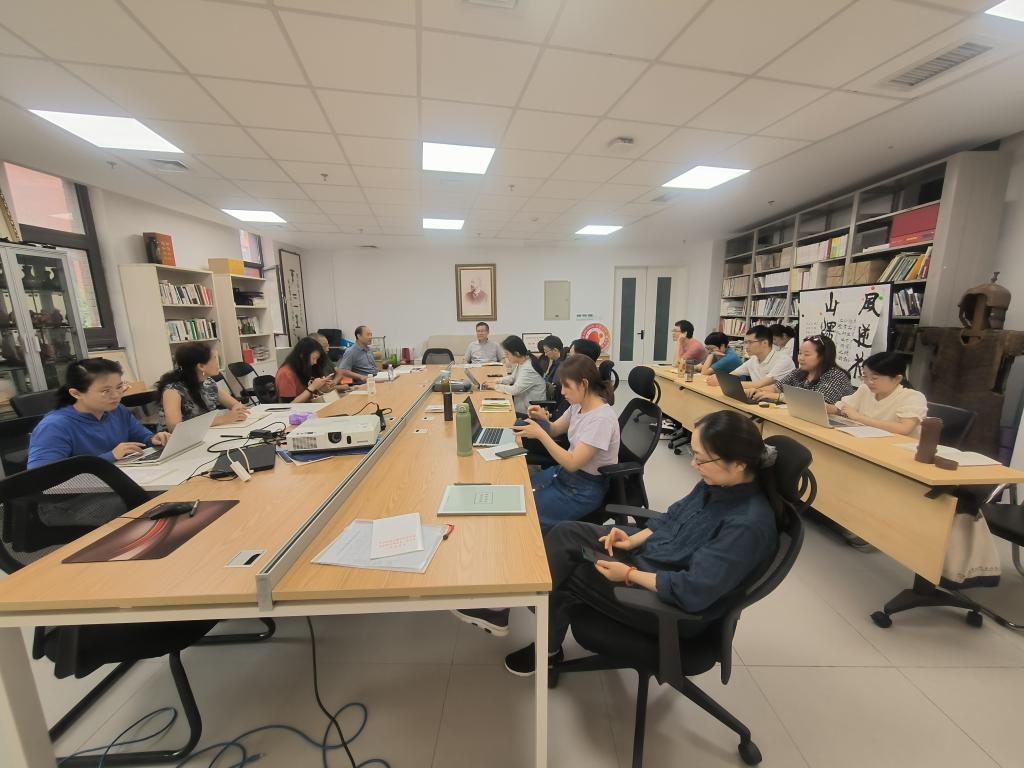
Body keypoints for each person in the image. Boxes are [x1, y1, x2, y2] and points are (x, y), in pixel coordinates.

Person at [454, 410, 781, 675]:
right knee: (567, 533)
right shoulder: (719, 483)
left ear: (739, 463)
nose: (693, 465)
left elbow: (692, 591)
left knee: (567, 572)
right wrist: (631, 538)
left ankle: (530, 635)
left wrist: (629, 574)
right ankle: (506, 608)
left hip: (669, 605)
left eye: (701, 459)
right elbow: (672, 518)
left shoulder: (747, 524)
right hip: (651, 560)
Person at [28, 358, 170, 468]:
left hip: (121, 478)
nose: (116, 395)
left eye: (119, 387)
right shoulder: (54, 426)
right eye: (105, 391)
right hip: (83, 494)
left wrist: (155, 439)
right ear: (76, 393)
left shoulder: (117, 410)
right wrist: (110, 456)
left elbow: (142, 438)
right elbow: (42, 477)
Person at [828, 351, 927, 436]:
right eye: (865, 376)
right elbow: (841, 409)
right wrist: (823, 407)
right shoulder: (865, 389)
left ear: (897, 378)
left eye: (874, 378)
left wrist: (859, 417)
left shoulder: (913, 397)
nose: (868, 382)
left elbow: (904, 429)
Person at [156, 342, 249, 431]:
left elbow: (234, 404)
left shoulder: (208, 382)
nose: (217, 363)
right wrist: (224, 419)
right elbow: (175, 427)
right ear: (201, 366)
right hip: (176, 440)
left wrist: (237, 409)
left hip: (206, 434)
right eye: (214, 359)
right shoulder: (173, 390)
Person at [752, 335, 855, 404]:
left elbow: (816, 404)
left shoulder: (836, 376)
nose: (800, 358)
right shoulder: (799, 372)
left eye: (807, 354)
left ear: (823, 356)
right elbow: (776, 388)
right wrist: (756, 391)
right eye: (800, 353)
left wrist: (778, 397)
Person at [707, 325, 794, 390]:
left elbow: (759, 385)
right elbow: (731, 375)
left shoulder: (783, 360)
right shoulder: (753, 359)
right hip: (758, 398)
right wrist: (719, 378)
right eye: (745, 342)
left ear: (764, 343)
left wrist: (722, 382)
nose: (746, 346)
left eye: (750, 342)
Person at [482, 335, 547, 415]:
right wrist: (495, 381)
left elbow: (515, 390)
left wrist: (495, 386)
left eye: (507, 354)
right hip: (522, 406)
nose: (506, 357)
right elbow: (512, 378)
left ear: (517, 353)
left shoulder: (528, 369)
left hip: (530, 412)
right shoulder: (523, 362)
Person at [276, 337, 334, 403]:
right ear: (302, 355)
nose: (315, 362)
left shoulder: (303, 368)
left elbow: (307, 396)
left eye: (317, 359)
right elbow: (289, 405)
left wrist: (321, 388)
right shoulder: (285, 373)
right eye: (313, 358)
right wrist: (312, 387)